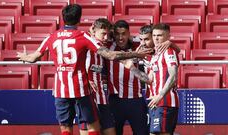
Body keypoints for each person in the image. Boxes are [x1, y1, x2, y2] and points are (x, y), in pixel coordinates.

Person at [17, 4, 149, 135]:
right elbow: (111, 55)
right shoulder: (83, 36)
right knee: (92, 127)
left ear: (63, 18)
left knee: (66, 129)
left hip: (60, 90)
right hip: (80, 89)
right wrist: (136, 54)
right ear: (79, 19)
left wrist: (24, 56)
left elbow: (33, 58)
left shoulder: (52, 36)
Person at [106, 20, 150, 135]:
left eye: (124, 33)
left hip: (136, 100)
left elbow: (153, 41)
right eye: (117, 34)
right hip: (115, 101)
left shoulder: (138, 45)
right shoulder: (108, 47)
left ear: (129, 33)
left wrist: (170, 43)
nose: (120, 37)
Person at [79, 18, 116, 135]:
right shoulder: (85, 42)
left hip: (102, 96)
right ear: (93, 31)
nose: (106, 38)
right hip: (87, 96)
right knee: (88, 128)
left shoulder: (103, 47)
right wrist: (86, 80)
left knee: (109, 128)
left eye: (108, 34)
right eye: (103, 34)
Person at [147, 23, 180, 135]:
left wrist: (160, 96)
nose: (156, 38)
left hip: (165, 102)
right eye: (154, 35)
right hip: (156, 102)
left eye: (160, 35)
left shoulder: (169, 51)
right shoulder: (155, 55)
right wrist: (131, 67)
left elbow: (173, 75)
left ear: (168, 36)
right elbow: (149, 79)